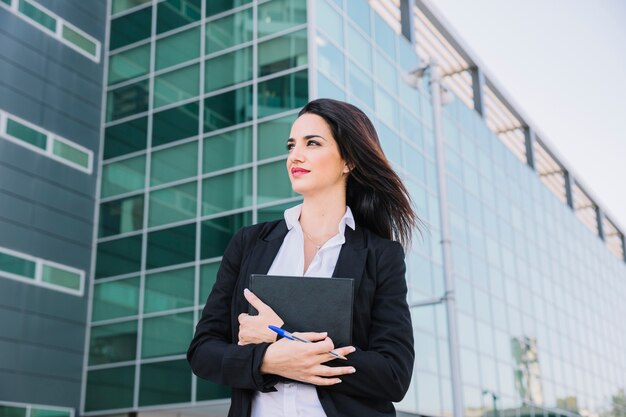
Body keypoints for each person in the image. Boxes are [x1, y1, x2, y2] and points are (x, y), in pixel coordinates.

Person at [187, 98, 418, 417]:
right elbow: (203, 352)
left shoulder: (380, 256)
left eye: (312, 143)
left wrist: (286, 342)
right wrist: (268, 360)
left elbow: (394, 374)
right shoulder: (250, 243)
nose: (295, 155)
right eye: (291, 144)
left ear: (348, 160)